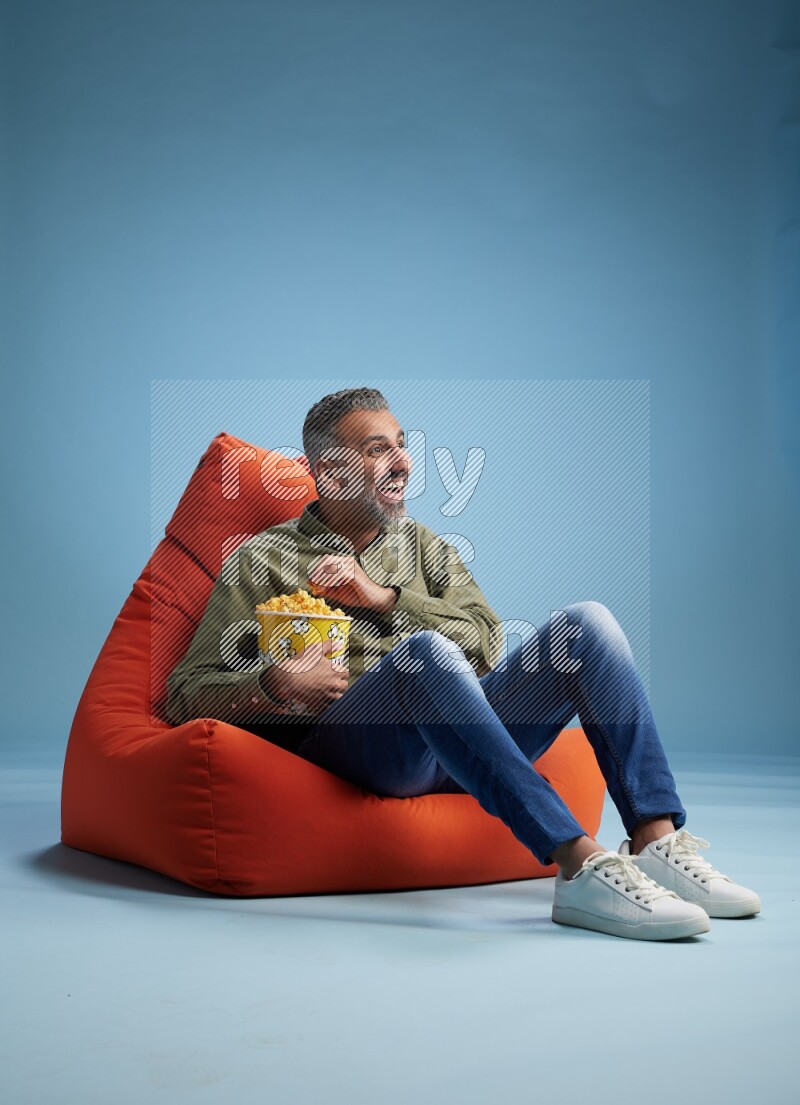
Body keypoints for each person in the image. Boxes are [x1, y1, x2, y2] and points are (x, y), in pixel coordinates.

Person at [166, 387, 761, 941]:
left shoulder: (425, 548)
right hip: (361, 749)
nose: (402, 461)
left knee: (589, 624)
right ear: (329, 472)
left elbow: (485, 642)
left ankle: (656, 840)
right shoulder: (262, 559)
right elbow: (183, 695)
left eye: (403, 444)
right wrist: (273, 683)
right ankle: (578, 866)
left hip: (464, 743)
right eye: (379, 450)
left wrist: (384, 599)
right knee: (424, 655)